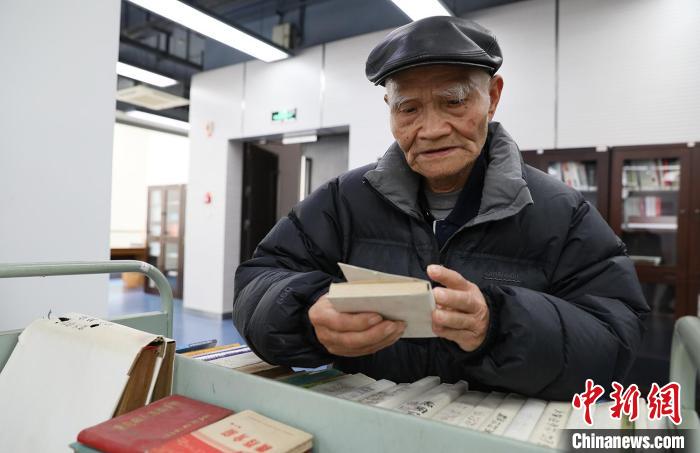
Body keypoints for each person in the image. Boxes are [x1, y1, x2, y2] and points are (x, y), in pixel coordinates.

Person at [233, 16, 648, 400]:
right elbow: (257, 282)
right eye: (408, 108)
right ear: (390, 111)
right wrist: (306, 315)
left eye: (454, 102)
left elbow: (615, 338)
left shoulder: (561, 212)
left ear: (493, 96)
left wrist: (497, 325)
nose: (431, 130)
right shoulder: (343, 201)